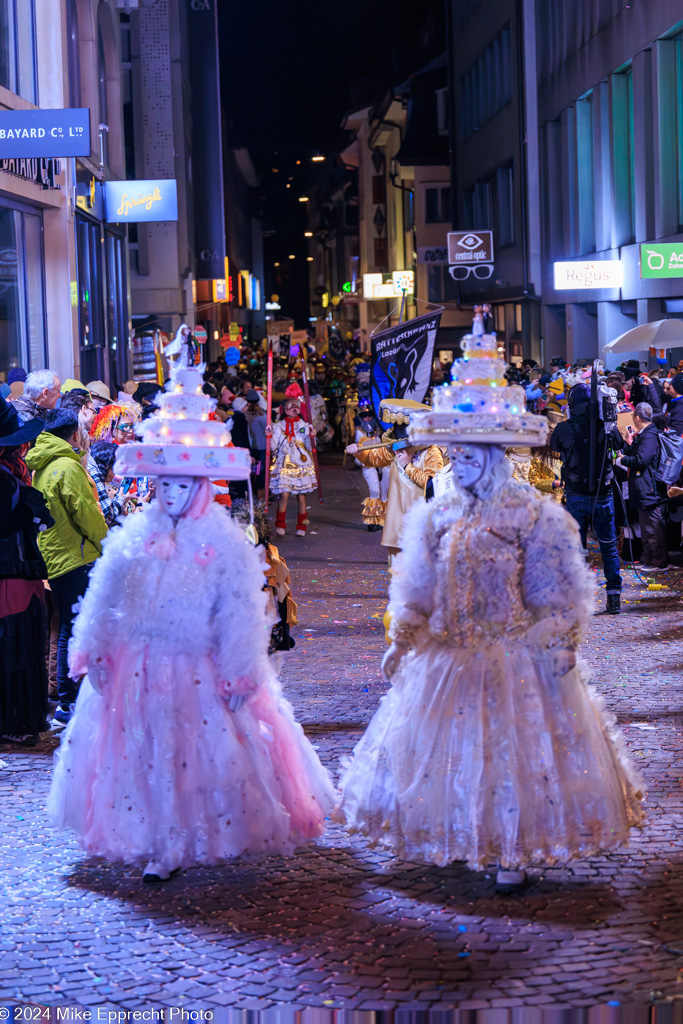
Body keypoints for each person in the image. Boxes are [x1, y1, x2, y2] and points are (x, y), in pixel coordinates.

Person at [335, 347, 644, 887]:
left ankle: (509, 850)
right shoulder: (438, 512)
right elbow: (419, 581)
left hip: (513, 654)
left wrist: (562, 638)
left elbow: (558, 586)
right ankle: (463, 833)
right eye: (457, 454)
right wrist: (403, 636)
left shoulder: (531, 513)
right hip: (448, 654)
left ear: (497, 455)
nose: (462, 464)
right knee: (452, 755)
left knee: (508, 756)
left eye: (473, 454)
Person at [47, 358, 334, 883]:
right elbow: (105, 592)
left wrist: (241, 670)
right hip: (138, 664)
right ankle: (156, 839)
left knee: (194, 754)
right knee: (144, 754)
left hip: (195, 667)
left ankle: (185, 837)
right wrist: (90, 645)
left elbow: (240, 611)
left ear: (200, 486)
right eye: (167, 486)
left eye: (185, 486)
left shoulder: (221, 541)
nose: (174, 496)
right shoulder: (136, 534)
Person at [25, 409, 108, 728]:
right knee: (75, 628)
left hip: (56, 556)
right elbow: (87, 515)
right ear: (74, 435)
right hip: (76, 557)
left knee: (67, 629)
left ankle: (67, 698)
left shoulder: (43, 465)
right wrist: (106, 544)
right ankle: (69, 700)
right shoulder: (67, 467)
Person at [0, 396, 54, 745]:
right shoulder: (3, 479)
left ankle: (22, 719)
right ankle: (14, 721)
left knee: (25, 645)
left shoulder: (10, 474)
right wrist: (28, 511)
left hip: (23, 573)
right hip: (10, 577)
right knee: (16, 649)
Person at [551, 383, 624, 614]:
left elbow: (554, 448)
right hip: (603, 495)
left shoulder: (564, 428)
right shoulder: (608, 426)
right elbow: (621, 446)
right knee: (609, 547)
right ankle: (613, 596)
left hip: (576, 496)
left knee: (576, 547)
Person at [346, 398, 445, 561]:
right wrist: (358, 452)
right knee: (396, 573)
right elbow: (373, 459)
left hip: (419, 524)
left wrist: (408, 466)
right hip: (397, 521)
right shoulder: (395, 448)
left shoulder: (431, 452)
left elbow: (433, 484)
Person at [615, 402, 668, 571]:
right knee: (647, 526)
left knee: (652, 525)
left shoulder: (650, 436)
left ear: (637, 418)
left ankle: (658, 562)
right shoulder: (645, 434)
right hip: (644, 486)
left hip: (648, 487)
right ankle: (647, 559)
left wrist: (622, 459)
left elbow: (642, 460)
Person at [270, 384, 317, 537]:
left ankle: (302, 526)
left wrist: (312, 436)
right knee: (284, 493)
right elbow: (273, 447)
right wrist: (268, 436)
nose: (294, 410)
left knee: (301, 495)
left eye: (296, 407)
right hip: (285, 462)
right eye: (290, 407)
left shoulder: (304, 425)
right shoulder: (278, 426)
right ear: (284, 409)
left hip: (302, 463)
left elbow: (309, 447)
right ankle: (280, 524)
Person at [353, 403, 389, 531]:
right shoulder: (359, 431)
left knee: (385, 492)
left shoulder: (383, 428)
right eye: (364, 417)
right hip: (368, 463)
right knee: (375, 490)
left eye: (369, 416)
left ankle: (384, 519)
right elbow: (362, 444)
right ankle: (373, 520)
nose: (367, 419)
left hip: (384, 463)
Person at [87, 440, 129, 527]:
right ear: (107, 466)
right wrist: (121, 498)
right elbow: (108, 516)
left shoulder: (90, 467)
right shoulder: (94, 473)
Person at [244, 388, 267, 500]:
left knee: (251, 473)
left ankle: (250, 499)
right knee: (261, 474)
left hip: (249, 447)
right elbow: (267, 429)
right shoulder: (261, 413)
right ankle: (260, 500)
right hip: (261, 447)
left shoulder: (243, 413)